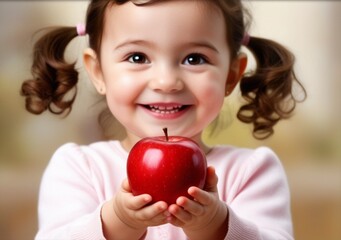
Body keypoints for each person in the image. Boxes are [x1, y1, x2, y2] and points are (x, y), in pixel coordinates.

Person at [21, 0, 306, 239]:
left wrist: (215, 225)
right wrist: (118, 222)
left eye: (194, 59)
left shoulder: (251, 172)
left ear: (231, 75)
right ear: (98, 72)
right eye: (136, 57)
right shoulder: (79, 168)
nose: (166, 82)